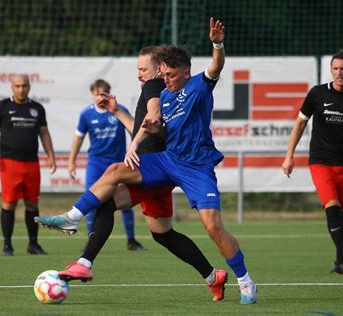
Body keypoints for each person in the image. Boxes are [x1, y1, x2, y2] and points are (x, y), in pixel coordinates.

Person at [36, 18, 258, 304]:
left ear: (186, 73)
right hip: (167, 161)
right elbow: (152, 123)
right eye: (162, 74)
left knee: (212, 226)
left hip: (196, 166)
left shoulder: (198, 86)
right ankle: (73, 220)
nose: (163, 79)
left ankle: (245, 281)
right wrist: (144, 134)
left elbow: (216, 66)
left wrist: (217, 44)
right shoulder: (165, 94)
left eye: (168, 73)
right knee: (126, 190)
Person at [282, 50, 343, 274]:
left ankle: (339, 262)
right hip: (321, 161)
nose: (339, 73)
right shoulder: (317, 94)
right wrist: (289, 156)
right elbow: (300, 124)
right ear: (331, 70)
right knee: (331, 207)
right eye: (335, 69)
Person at [0, 74, 56, 256]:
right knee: (9, 203)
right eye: (17, 86)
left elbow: (44, 133)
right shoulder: (3, 107)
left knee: (32, 204)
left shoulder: (37, 108)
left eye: (24, 86)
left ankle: (33, 244)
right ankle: (7, 245)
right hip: (10, 163)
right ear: (12, 87)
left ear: (29, 87)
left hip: (32, 163)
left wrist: (50, 155)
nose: (21, 89)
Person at [69, 79, 144, 251]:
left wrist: (136, 151)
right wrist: (71, 161)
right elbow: (78, 138)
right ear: (92, 95)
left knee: (125, 200)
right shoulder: (86, 114)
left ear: (109, 94)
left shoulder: (119, 111)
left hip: (118, 163)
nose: (99, 97)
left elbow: (135, 132)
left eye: (103, 94)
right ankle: (91, 240)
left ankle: (131, 240)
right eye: (96, 94)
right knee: (91, 200)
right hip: (96, 163)